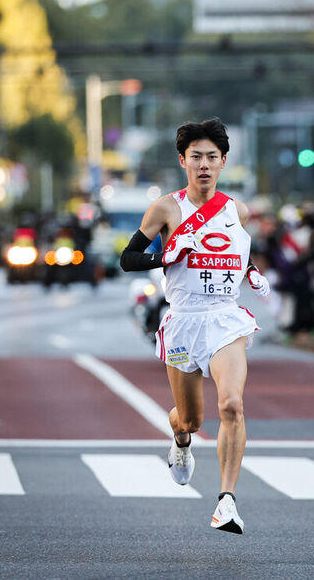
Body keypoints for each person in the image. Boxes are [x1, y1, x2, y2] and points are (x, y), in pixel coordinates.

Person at [118, 118, 271, 535]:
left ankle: (226, 502)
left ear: (223, 162)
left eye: (211, 157)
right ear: (183, 161)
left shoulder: (235, 209)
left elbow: (237, 254)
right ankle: (181, 441)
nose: (204, 165)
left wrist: (252, 273)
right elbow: (128, 259)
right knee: (191, 420)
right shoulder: (166, 208)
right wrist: (165, 257)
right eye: (196, 157)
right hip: (184, 321)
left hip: (225, 318)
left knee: (232, 405)